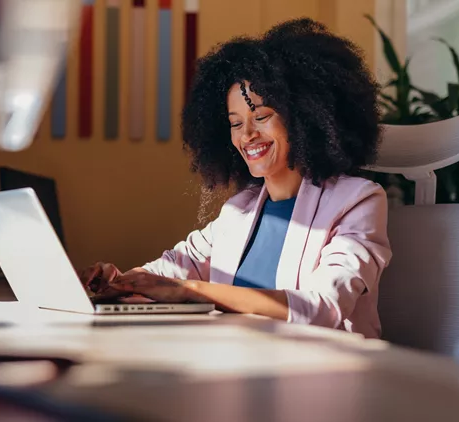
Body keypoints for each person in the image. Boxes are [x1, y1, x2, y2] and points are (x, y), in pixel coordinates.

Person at [79, 18, 392, 338]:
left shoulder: (358, 200)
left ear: (303, 118)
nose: (248, 135)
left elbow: (321, 307)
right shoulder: (239, 210)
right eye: (235, 123)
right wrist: (119, 282)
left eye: (261, 117)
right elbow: (170, 269)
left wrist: (190, 290)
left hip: (322, 370)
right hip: (237, 360)